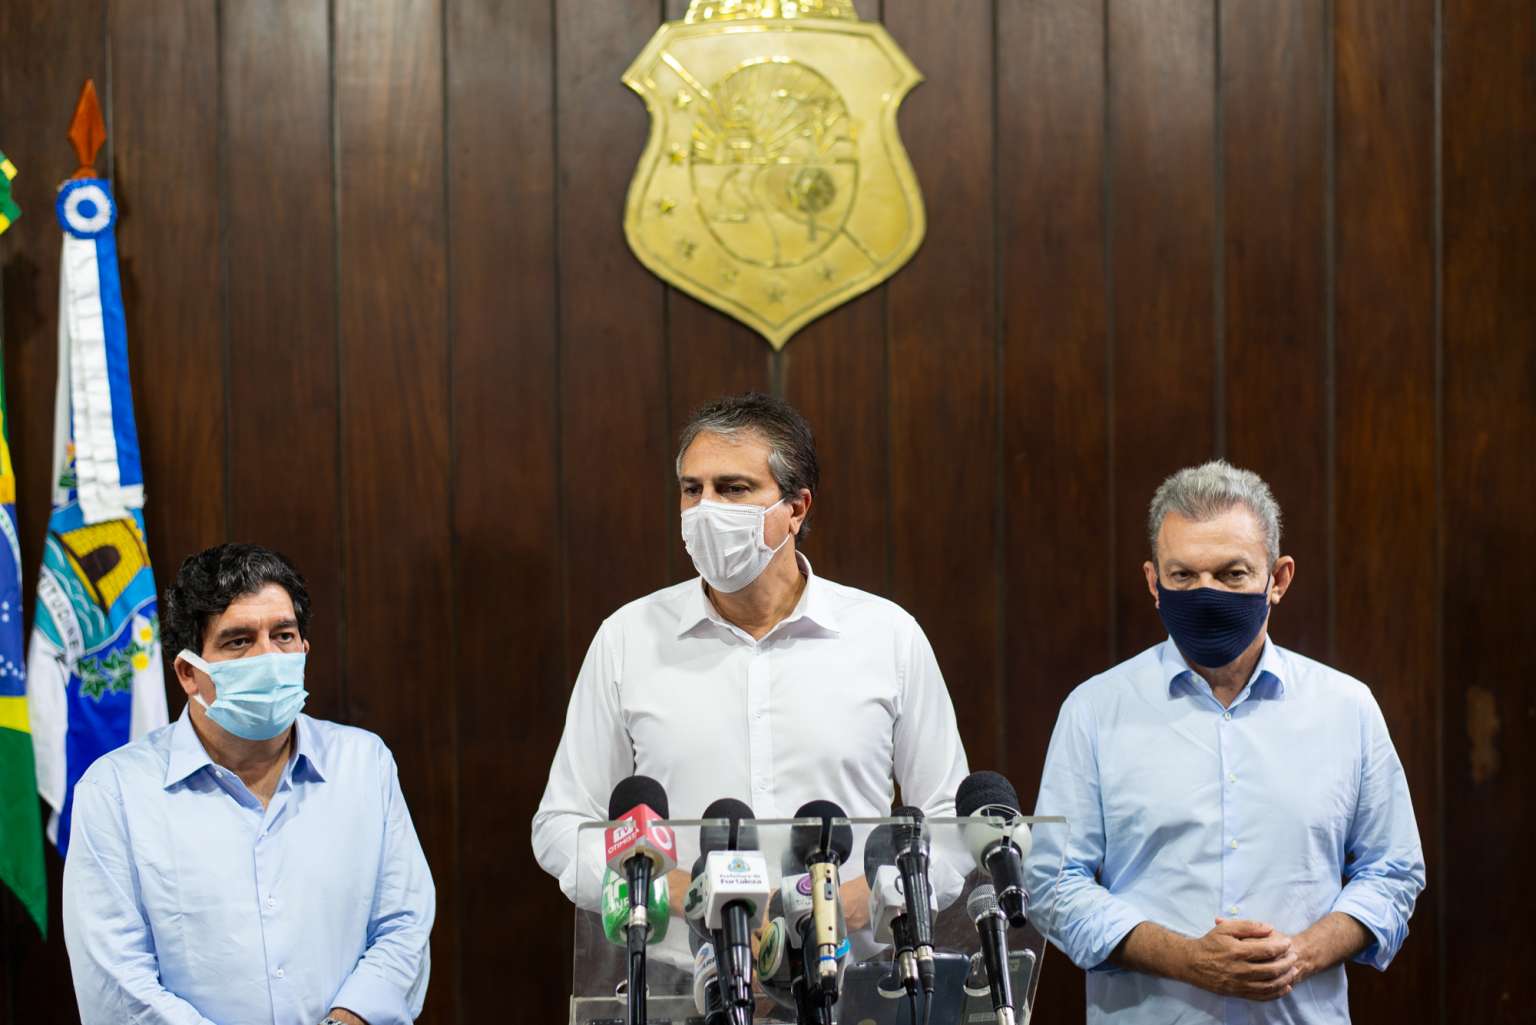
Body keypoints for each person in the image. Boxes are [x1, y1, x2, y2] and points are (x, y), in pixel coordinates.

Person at [532, 393, 970, 922]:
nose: (706, 510)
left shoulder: (888, 637)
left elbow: (951, 822)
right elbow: (563, 825)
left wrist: (872, 897)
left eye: (733, 489)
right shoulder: (627, 639)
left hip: (848, 963)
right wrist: (664, 886)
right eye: (692, 490)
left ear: (796, 509)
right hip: (680, 964)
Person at [1027, 460, 1425, 1024]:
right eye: (1183, 575)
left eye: (1232, 574)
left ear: (1278, 579)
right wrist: (1186, 960)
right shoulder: (1094, 710)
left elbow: (1393, 870)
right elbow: (1051, 883)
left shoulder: (1347, 708)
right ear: (1153, 582)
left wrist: (1300, 954)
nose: (1206, 593)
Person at [62, 544, 435, 1025]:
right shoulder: (116, 792)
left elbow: (404, 925)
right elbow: (116, 980)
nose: (268, 657)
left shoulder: (364, 765)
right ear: (189, 673)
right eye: (239, 641)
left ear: (303, 650)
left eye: (283, 635)